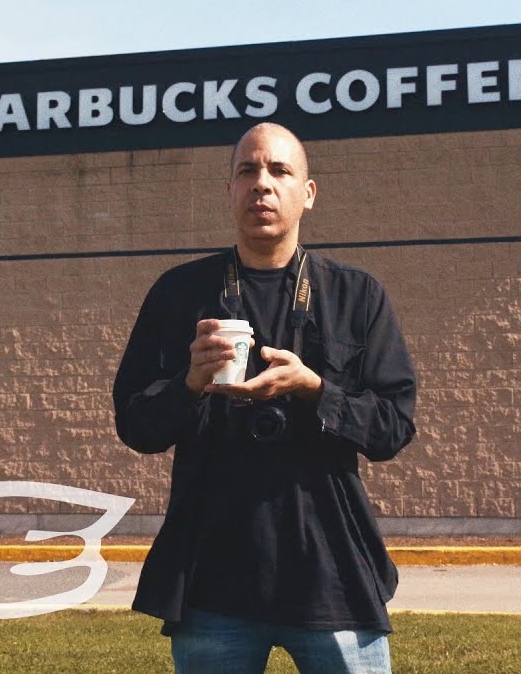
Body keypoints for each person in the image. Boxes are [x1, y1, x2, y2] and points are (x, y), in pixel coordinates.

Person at [112, 122, 417, 673]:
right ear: (227, 192)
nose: (262, 184)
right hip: (212, 581)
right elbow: (135, 426)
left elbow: (394, 427)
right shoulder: (180, 293)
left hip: (333, 574)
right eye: (247, 171)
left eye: (279, 170)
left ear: (308, 193)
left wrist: (316, 389)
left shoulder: (356, 295)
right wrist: (188, 385)